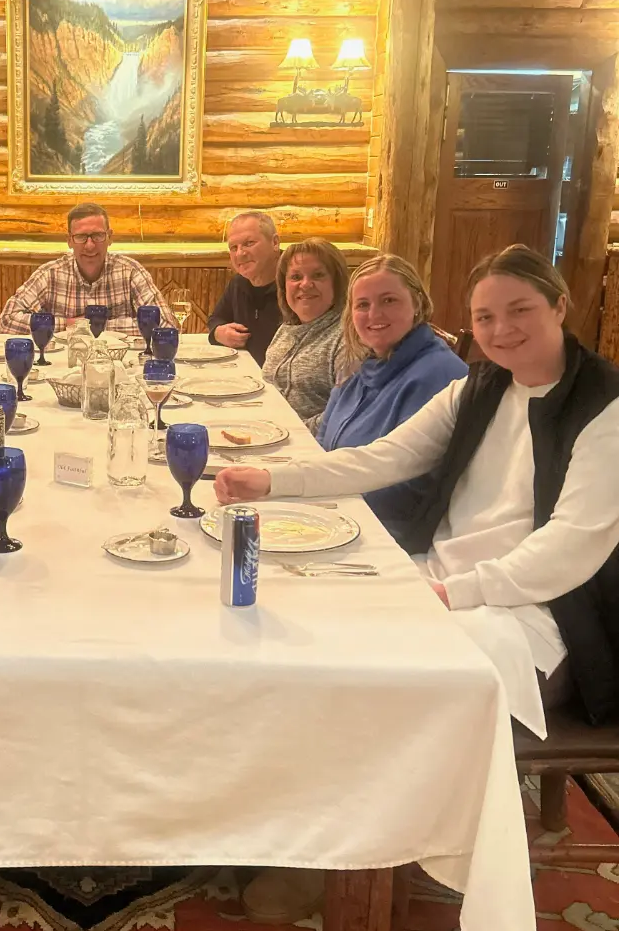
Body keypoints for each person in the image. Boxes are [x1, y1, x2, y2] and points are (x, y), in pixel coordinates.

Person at [216, 244, 619, 733]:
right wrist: (273, 480)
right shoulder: (477, 388)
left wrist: (453, 593)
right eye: (484, 316)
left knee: (379, 685)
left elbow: (570, 547)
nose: (500, 329)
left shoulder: (603, 406)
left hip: (535, 618)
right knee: (303, 624)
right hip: (439, 575)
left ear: (559, 305)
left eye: (520, 310)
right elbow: (384, 457)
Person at [317, 254, 467, 540]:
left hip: (386, 533)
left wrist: (322, 496)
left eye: (389, 300)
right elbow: (323, 441)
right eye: (363, 305)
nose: (374, 315)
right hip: (340, 511)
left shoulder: (437, 375)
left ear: (418, 304)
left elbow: (411, 486)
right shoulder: (363, 364)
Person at [0, 203, 174, 334]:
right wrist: (69, 324)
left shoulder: (130, 271)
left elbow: (167, 324)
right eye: (81, 237)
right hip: (63, 366)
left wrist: (95, 326)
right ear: (69, 240)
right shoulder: (50, 274)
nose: (89, 245)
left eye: (97, 235)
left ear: (110, 237)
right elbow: (7, 321)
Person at [262, 239, 351, 432]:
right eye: (295, 277)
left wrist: (291, 432)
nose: (305, 284)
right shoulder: (287, 328)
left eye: (318, 275)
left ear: (338, 283)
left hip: (311, 448)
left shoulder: (347, 338)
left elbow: (344, 414)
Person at [207, 211, 282, 365]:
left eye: (249, 243)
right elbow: (216, 319)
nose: (240, 254)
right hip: (248, 374)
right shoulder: (239, 282)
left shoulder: (296, 283)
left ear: (275, 243)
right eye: (233, 248)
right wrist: (219, 332)